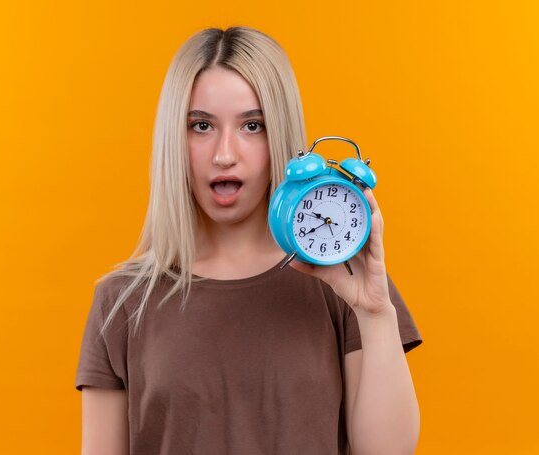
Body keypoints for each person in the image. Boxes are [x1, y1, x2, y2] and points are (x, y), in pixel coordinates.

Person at [75, 26, 423, 455]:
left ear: (280, 135)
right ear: (173, 140)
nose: (225, 153)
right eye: (201, 125)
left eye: (252, 126)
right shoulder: (122, 302)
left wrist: (375, 314)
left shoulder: (343, 282)